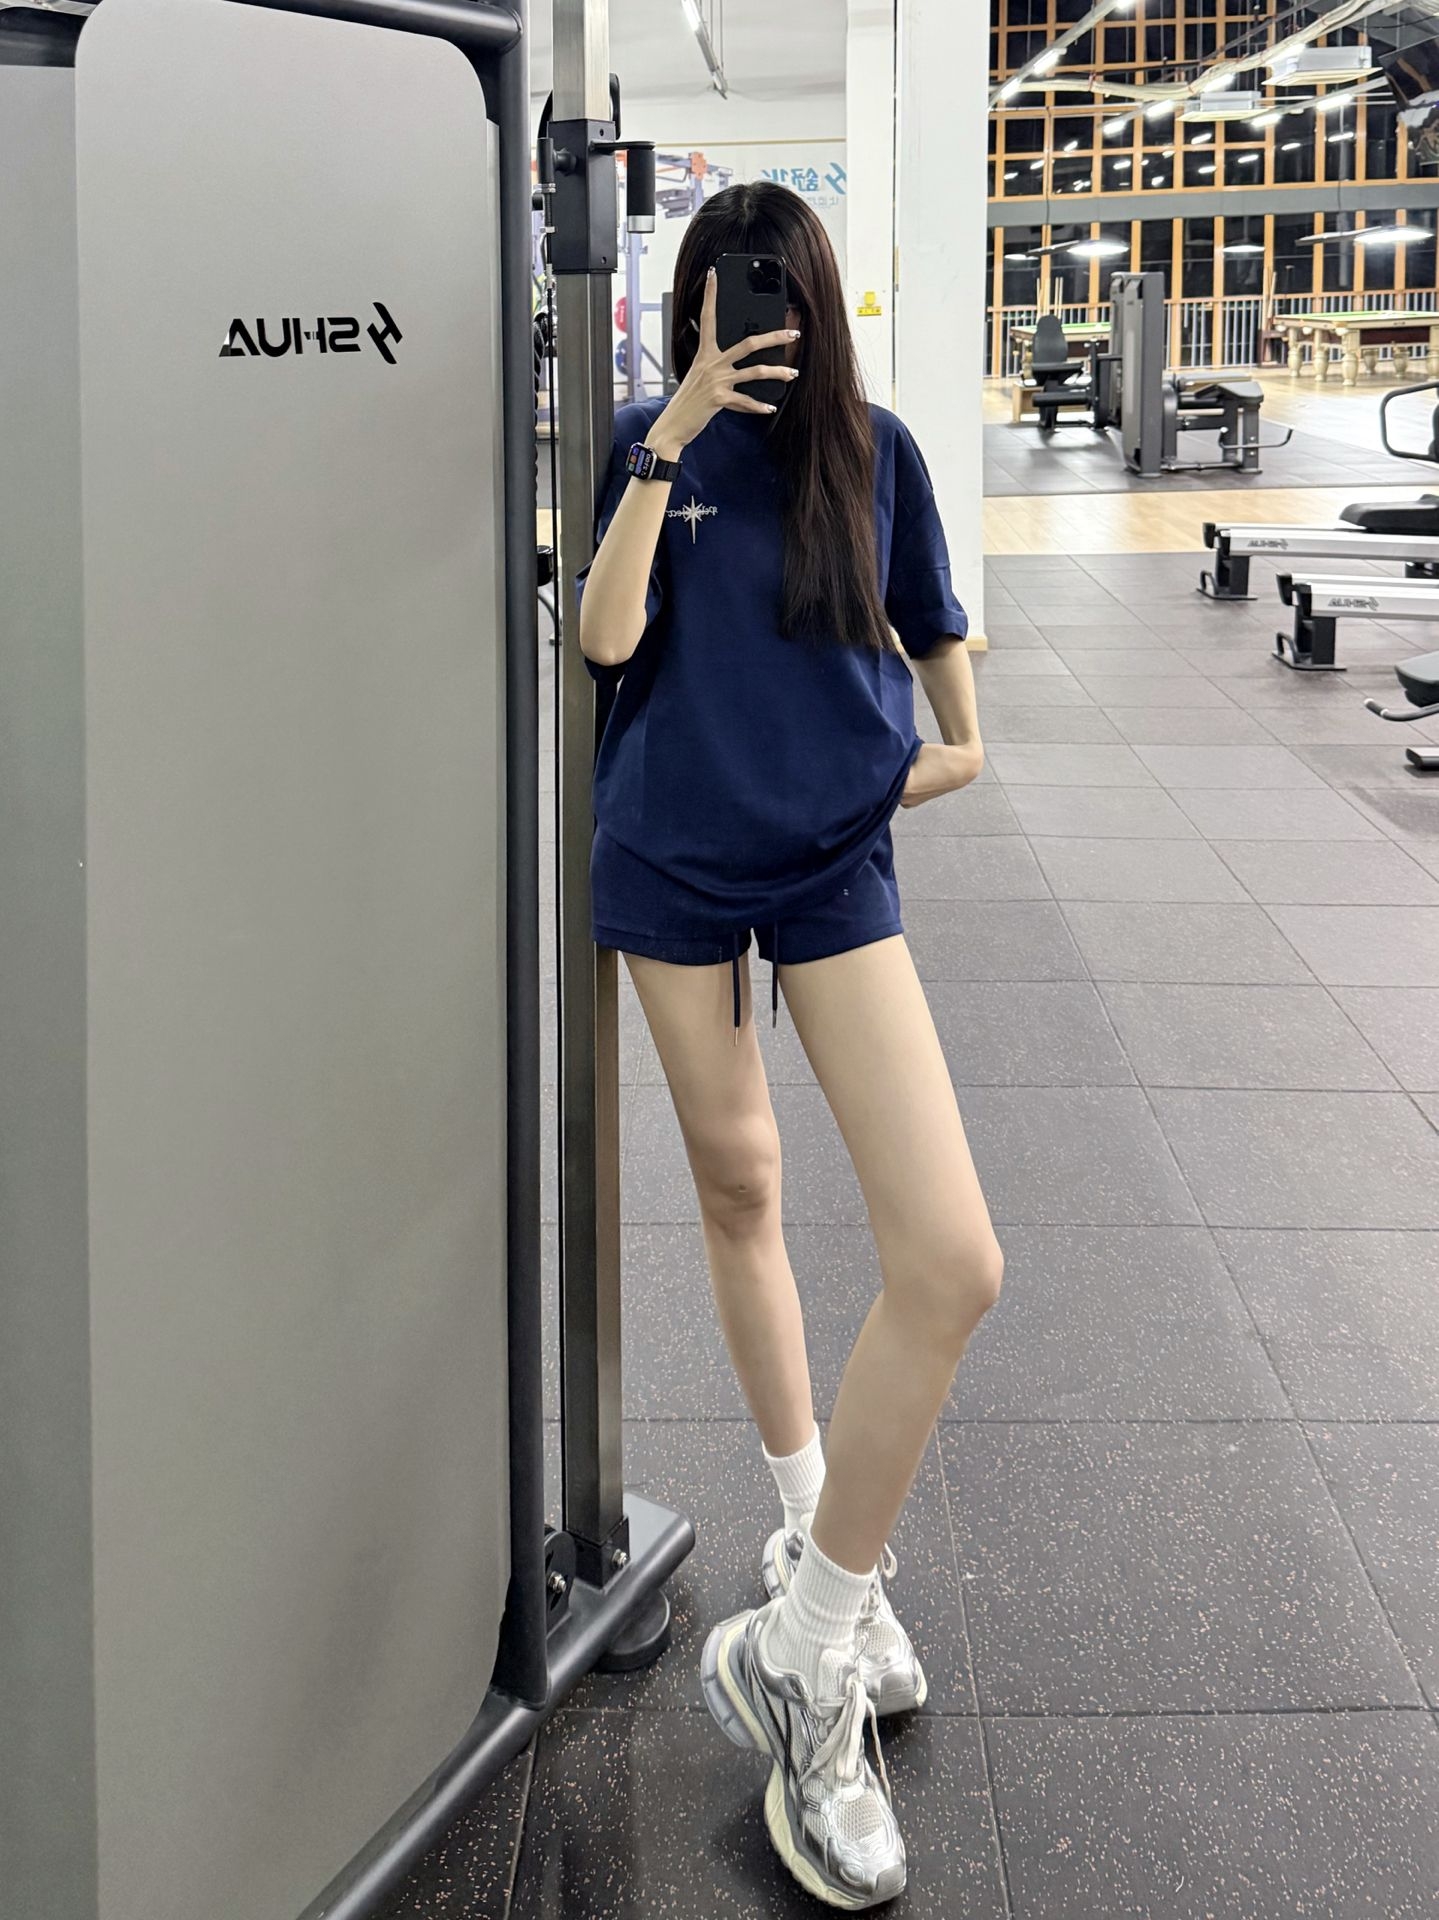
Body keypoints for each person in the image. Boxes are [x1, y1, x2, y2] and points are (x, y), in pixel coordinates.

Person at [576, 181, 1003, 1910]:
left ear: (819, 301)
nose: (755, 313)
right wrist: (671, 434)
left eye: (778, 288)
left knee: (952, 1259)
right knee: (742, 1184)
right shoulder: (645, 442)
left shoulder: (876, 454)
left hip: (830, 861)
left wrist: (906, 765)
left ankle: (807, 1635)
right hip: (670, 852)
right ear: (690, 303)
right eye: (725, 289)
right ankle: (813, 1531)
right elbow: (604, 640)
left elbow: (953, 683)